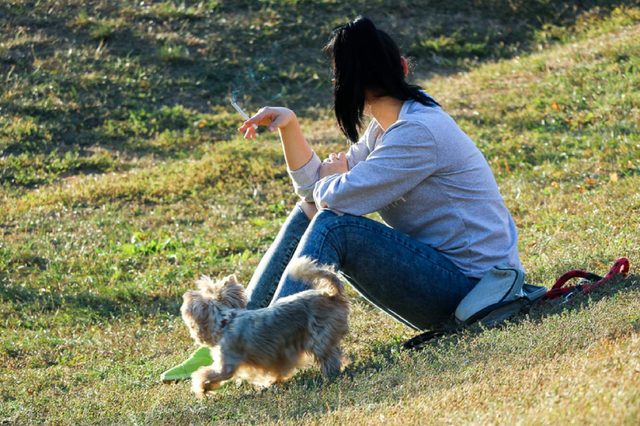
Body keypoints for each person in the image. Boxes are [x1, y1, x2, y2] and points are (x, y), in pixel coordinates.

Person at [161, 16, 522, 382]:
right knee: (313, 211)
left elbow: (337, 199)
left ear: (347, 86)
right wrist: (289, 125)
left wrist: (332, 183)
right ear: (402, 68)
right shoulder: (388, 127)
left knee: (336, 225)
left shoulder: (417, 133)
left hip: (472, 288)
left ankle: (260, 339)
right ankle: (236, 332)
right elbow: (315, 192)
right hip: (445, 276)